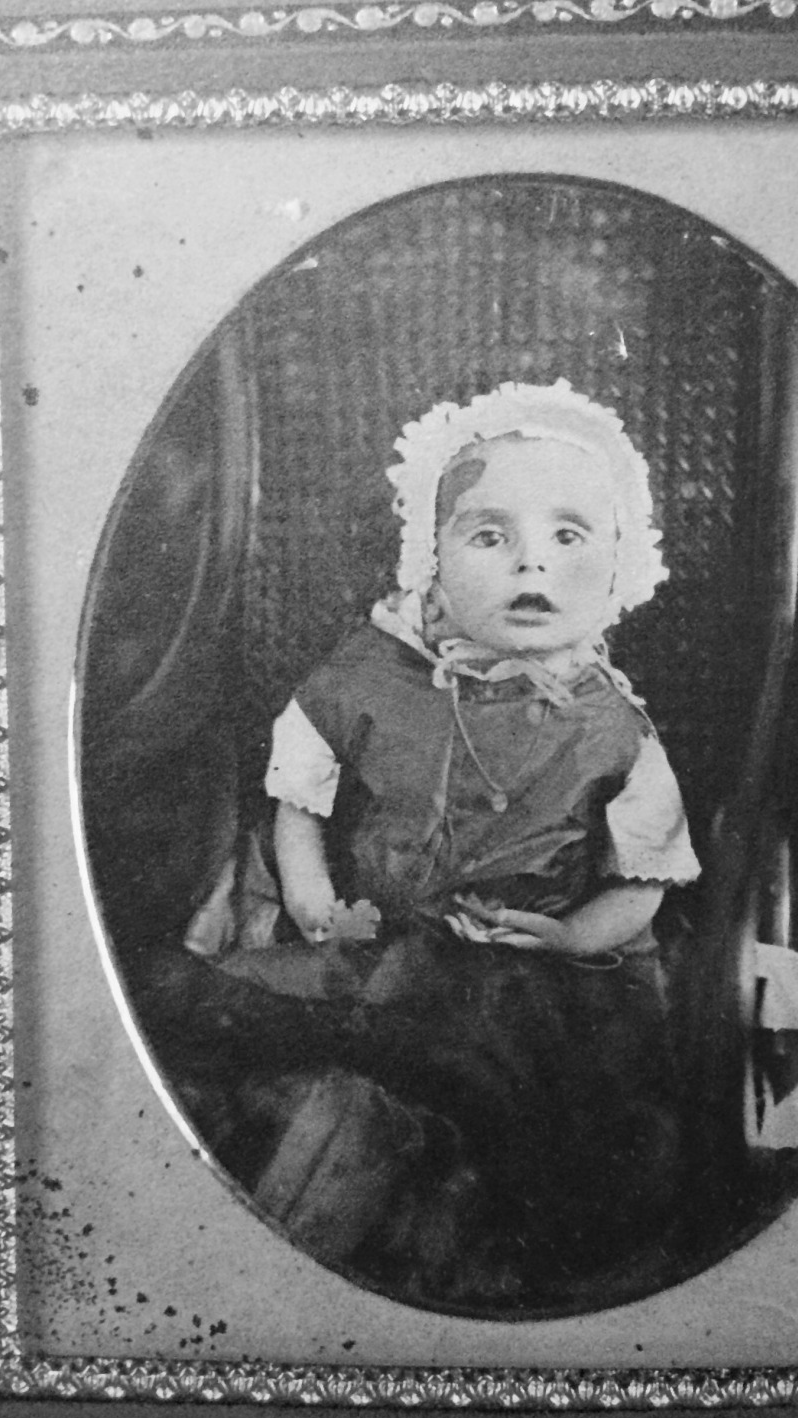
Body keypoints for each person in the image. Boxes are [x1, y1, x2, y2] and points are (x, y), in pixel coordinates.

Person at [165, 381, 703, 1313]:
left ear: (621, 564)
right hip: (379, 938)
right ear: (433, 557)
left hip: (537, 969)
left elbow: (641, 882)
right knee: (230, 1014)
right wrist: (309, 896)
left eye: (569, 535)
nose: (532, 560)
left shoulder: (617, 729)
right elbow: (300, 794)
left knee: (536, 1100)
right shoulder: (371, 672)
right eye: (490, 535)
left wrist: (573, 935)